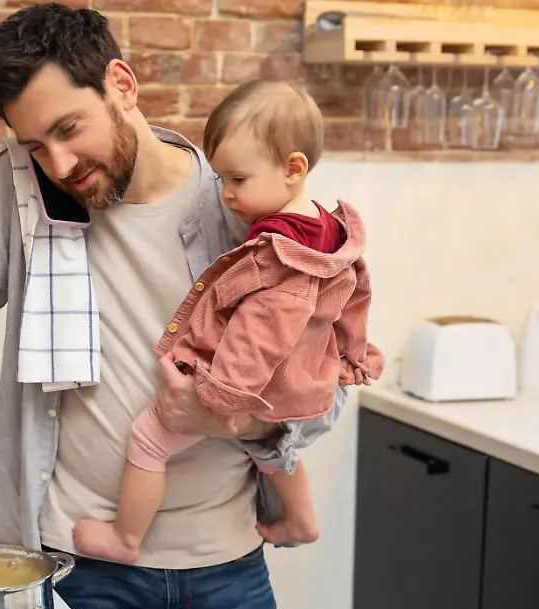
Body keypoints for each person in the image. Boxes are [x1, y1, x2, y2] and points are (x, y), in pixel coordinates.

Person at [0, 5, 345, 609]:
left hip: (227, 566)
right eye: (35, 145)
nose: (57, 163)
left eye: (67, 129)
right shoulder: (22, 187)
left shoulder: (238, 203)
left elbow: (322, 385)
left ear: (122, 85)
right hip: (82, 573)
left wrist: (237, 416)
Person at [73, 81, 384, 565]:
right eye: (220, 180)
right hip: (293, 381)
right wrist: (352, 353)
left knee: (149, 439)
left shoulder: (278, 254)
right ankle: (301, 520)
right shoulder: (329, 231)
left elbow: (259, 332)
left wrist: (222, 400)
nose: (228, 196)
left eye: (238, 179)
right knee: (270, 447)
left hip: (247, 385)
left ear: (293, 168)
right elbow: (356, 293)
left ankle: (125, 539)